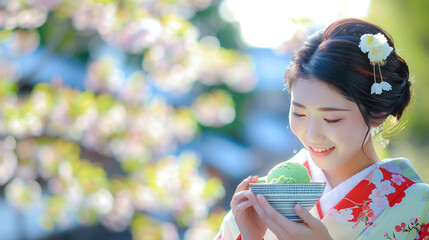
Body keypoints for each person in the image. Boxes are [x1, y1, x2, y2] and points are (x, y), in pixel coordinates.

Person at [214, 18, 429, 240]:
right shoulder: (267, 197)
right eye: (299, 114)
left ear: (377, 113)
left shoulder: (418, 206)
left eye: (332, 118)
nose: (311, 133)